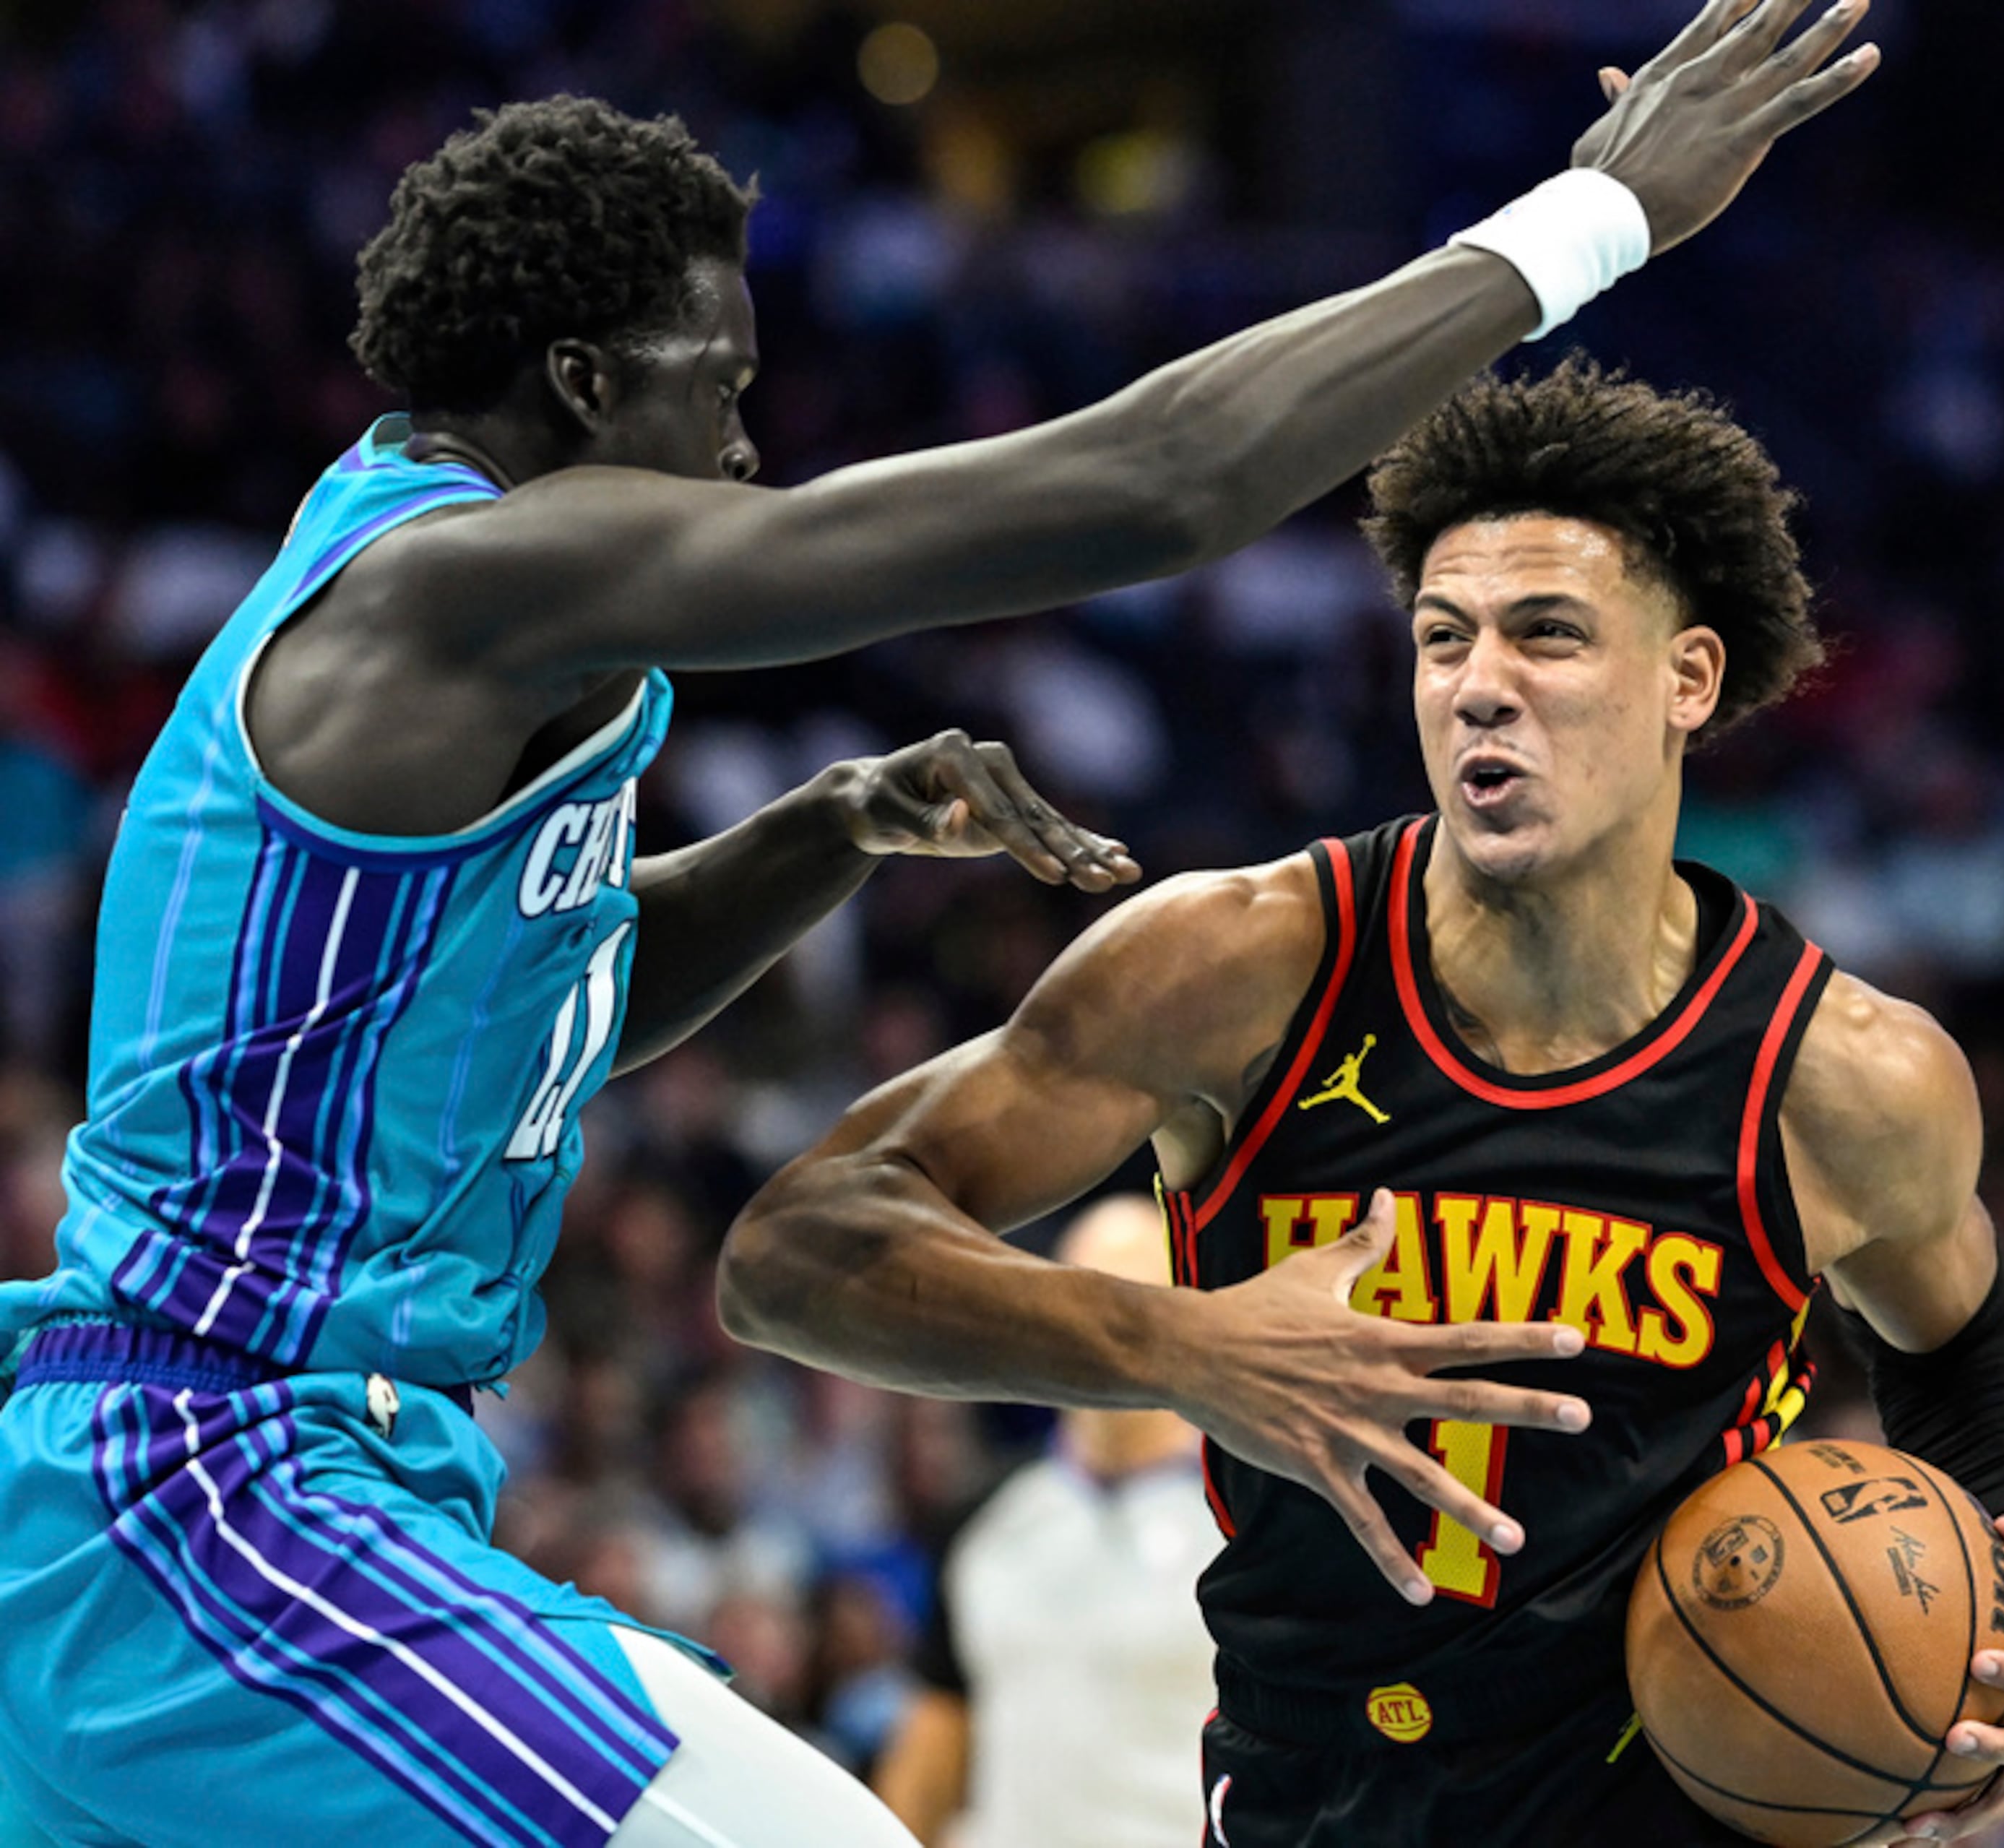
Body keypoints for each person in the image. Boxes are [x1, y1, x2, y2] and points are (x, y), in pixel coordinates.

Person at [0, 2, 1888, 1841]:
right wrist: (1597, 217)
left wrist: (827, 828)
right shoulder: (467, 577)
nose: (743, 449)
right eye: (716, 388)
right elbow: (1159, 479)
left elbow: (528, 1014)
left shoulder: (436, 628)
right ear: (584, 384)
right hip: (215, 1487)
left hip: (242, 1487)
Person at [720, 358, 2004, 1845]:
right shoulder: (1240, 965)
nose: (1480, 683)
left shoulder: (1840, 1074)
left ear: (1689, 679)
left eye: (1549, 635)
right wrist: (1187, 1346)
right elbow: (788, 1254)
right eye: (1444, 638)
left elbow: (1964, 1351)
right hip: (1322, 1800)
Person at [868, 1194, 1222, 1848]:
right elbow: (930, 1755)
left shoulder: (1245, 1521)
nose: (1105, 1331)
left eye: (1137, 1301)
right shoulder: (984, 1522)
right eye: (1083, 1302)